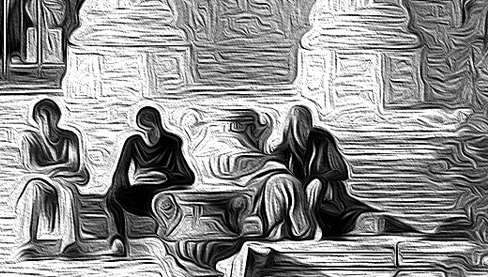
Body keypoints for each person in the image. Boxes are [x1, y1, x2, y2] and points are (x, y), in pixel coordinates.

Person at [103, 105, 195, 257]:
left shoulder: (172, 142)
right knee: (113, 196)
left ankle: (166, 234)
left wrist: (163, 176)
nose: (147, 134)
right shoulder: (133, 142)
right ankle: (118, 240)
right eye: (143, 130)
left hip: (162, 189)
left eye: (150, 130)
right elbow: (120, 172)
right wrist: (118, 186)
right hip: (139, 190)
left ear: (157, 126)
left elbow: (188, 177)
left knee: (161, 200)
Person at [214, 109, 315, 240]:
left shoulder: (311, 145)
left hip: (284, 192)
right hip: (276, 190)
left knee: (283, 183)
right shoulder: (277, 159)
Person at [275, 105, 373, 238]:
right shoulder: (282, 151)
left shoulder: (321, 139)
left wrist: (319, 178)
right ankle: (305, 226)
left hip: (327, 200)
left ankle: (310, 226)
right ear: (290, 127)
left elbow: (342, 171)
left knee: (317, 185)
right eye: (298, 126)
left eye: (305, 126)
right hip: (298, 204)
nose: (302, 131)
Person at [14, 99, 89, 257]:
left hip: (65, 180)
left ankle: (70, 243)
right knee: (34, 188)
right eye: (42, 118)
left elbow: (75, 165)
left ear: (58, 117)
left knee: (67, 190)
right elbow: (32, 166)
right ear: (36, 120)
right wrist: (60, 168)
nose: (46, 122)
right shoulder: (29, 138)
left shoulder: (70, 137)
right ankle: (28, 242)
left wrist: (53, 171)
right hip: (43, 181)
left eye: (50, 116)